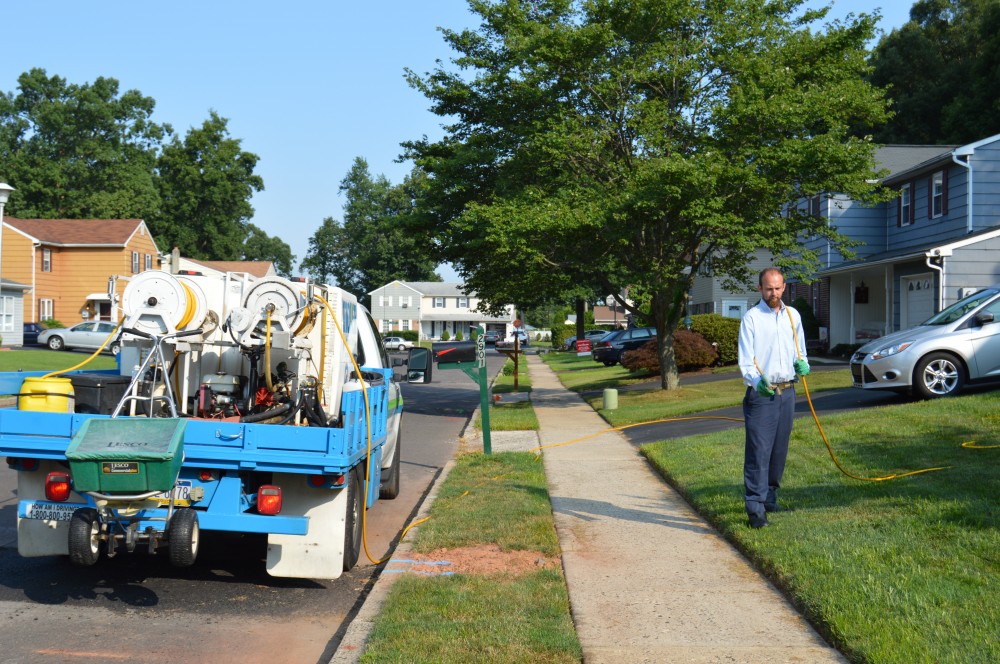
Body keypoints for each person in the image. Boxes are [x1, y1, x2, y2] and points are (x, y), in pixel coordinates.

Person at [737, 267, 810, 529]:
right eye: (768, 288)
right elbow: (746, 361)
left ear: (784, 287)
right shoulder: (752, 319)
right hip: (762, 396)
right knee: (759, 451)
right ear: (759, 288)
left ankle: (769, 496)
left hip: (788, 392)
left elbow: (799, 350)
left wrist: (803, 364)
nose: (774, 293)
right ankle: (755, 510)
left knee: (779, 450)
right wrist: (758, 383)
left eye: (778, 288)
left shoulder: (793, 316)